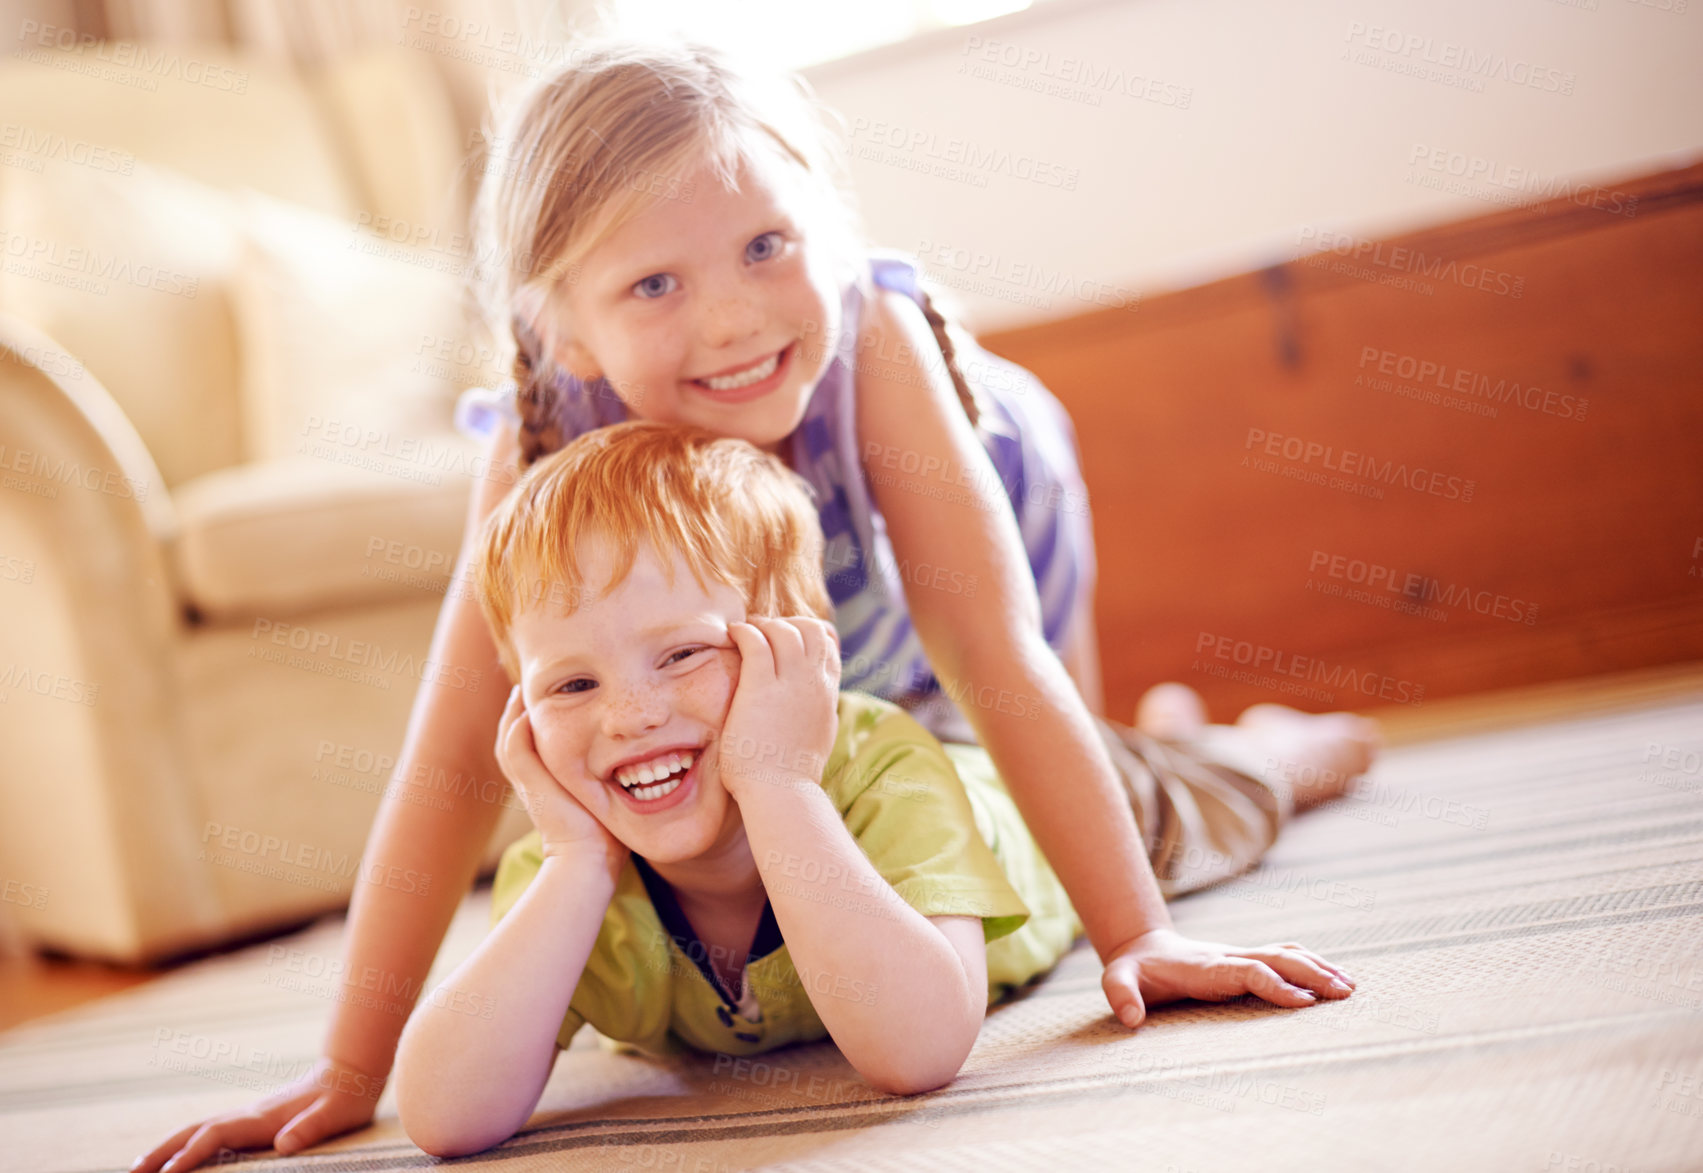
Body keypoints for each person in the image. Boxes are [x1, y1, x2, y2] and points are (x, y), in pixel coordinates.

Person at [133, 29, 1377, 1173]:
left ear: (825, 227)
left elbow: (991, 651)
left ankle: (1262, 749)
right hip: (759, 710)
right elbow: (454, 749)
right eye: (653, 286)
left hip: (948, 617)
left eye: (765, 247)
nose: (731, 318)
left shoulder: (867, 346)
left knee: (1101, 808)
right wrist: (352, 1067)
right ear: (563, 330)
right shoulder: (544, 434)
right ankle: (1164, 740)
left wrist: (1136, 937)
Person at [390, 420, 1359, 1158]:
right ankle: (1172, 727)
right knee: (1172, 747)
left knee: (1248, 787)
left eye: (681, 653)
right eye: (570, 685)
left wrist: (776, 784)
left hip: (1055, 798)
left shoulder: (887, 773)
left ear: (796, 658)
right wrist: (573, 863)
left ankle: (1262, 740)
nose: (629, 716)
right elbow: (441, 1116)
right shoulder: (569, 866)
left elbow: (916, 1049)